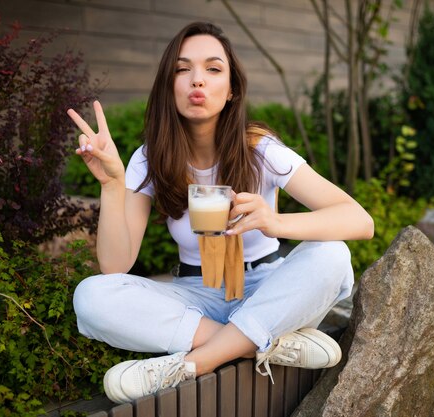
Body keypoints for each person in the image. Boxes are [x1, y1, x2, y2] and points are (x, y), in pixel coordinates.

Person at [67, 21, 374, 405]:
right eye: (183, 69)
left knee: (332, 255)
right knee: (92, 295)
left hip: (268, 287)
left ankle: (191, 364)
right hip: (197, 298)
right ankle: (262, 342)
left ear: (231, 90)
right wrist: (112, 186)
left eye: (213, 69)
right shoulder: (148, 159)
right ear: (169, 86)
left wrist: (274, 221)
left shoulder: (259, 148)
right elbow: (116, 264)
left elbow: (360, 221)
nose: (198, 80)